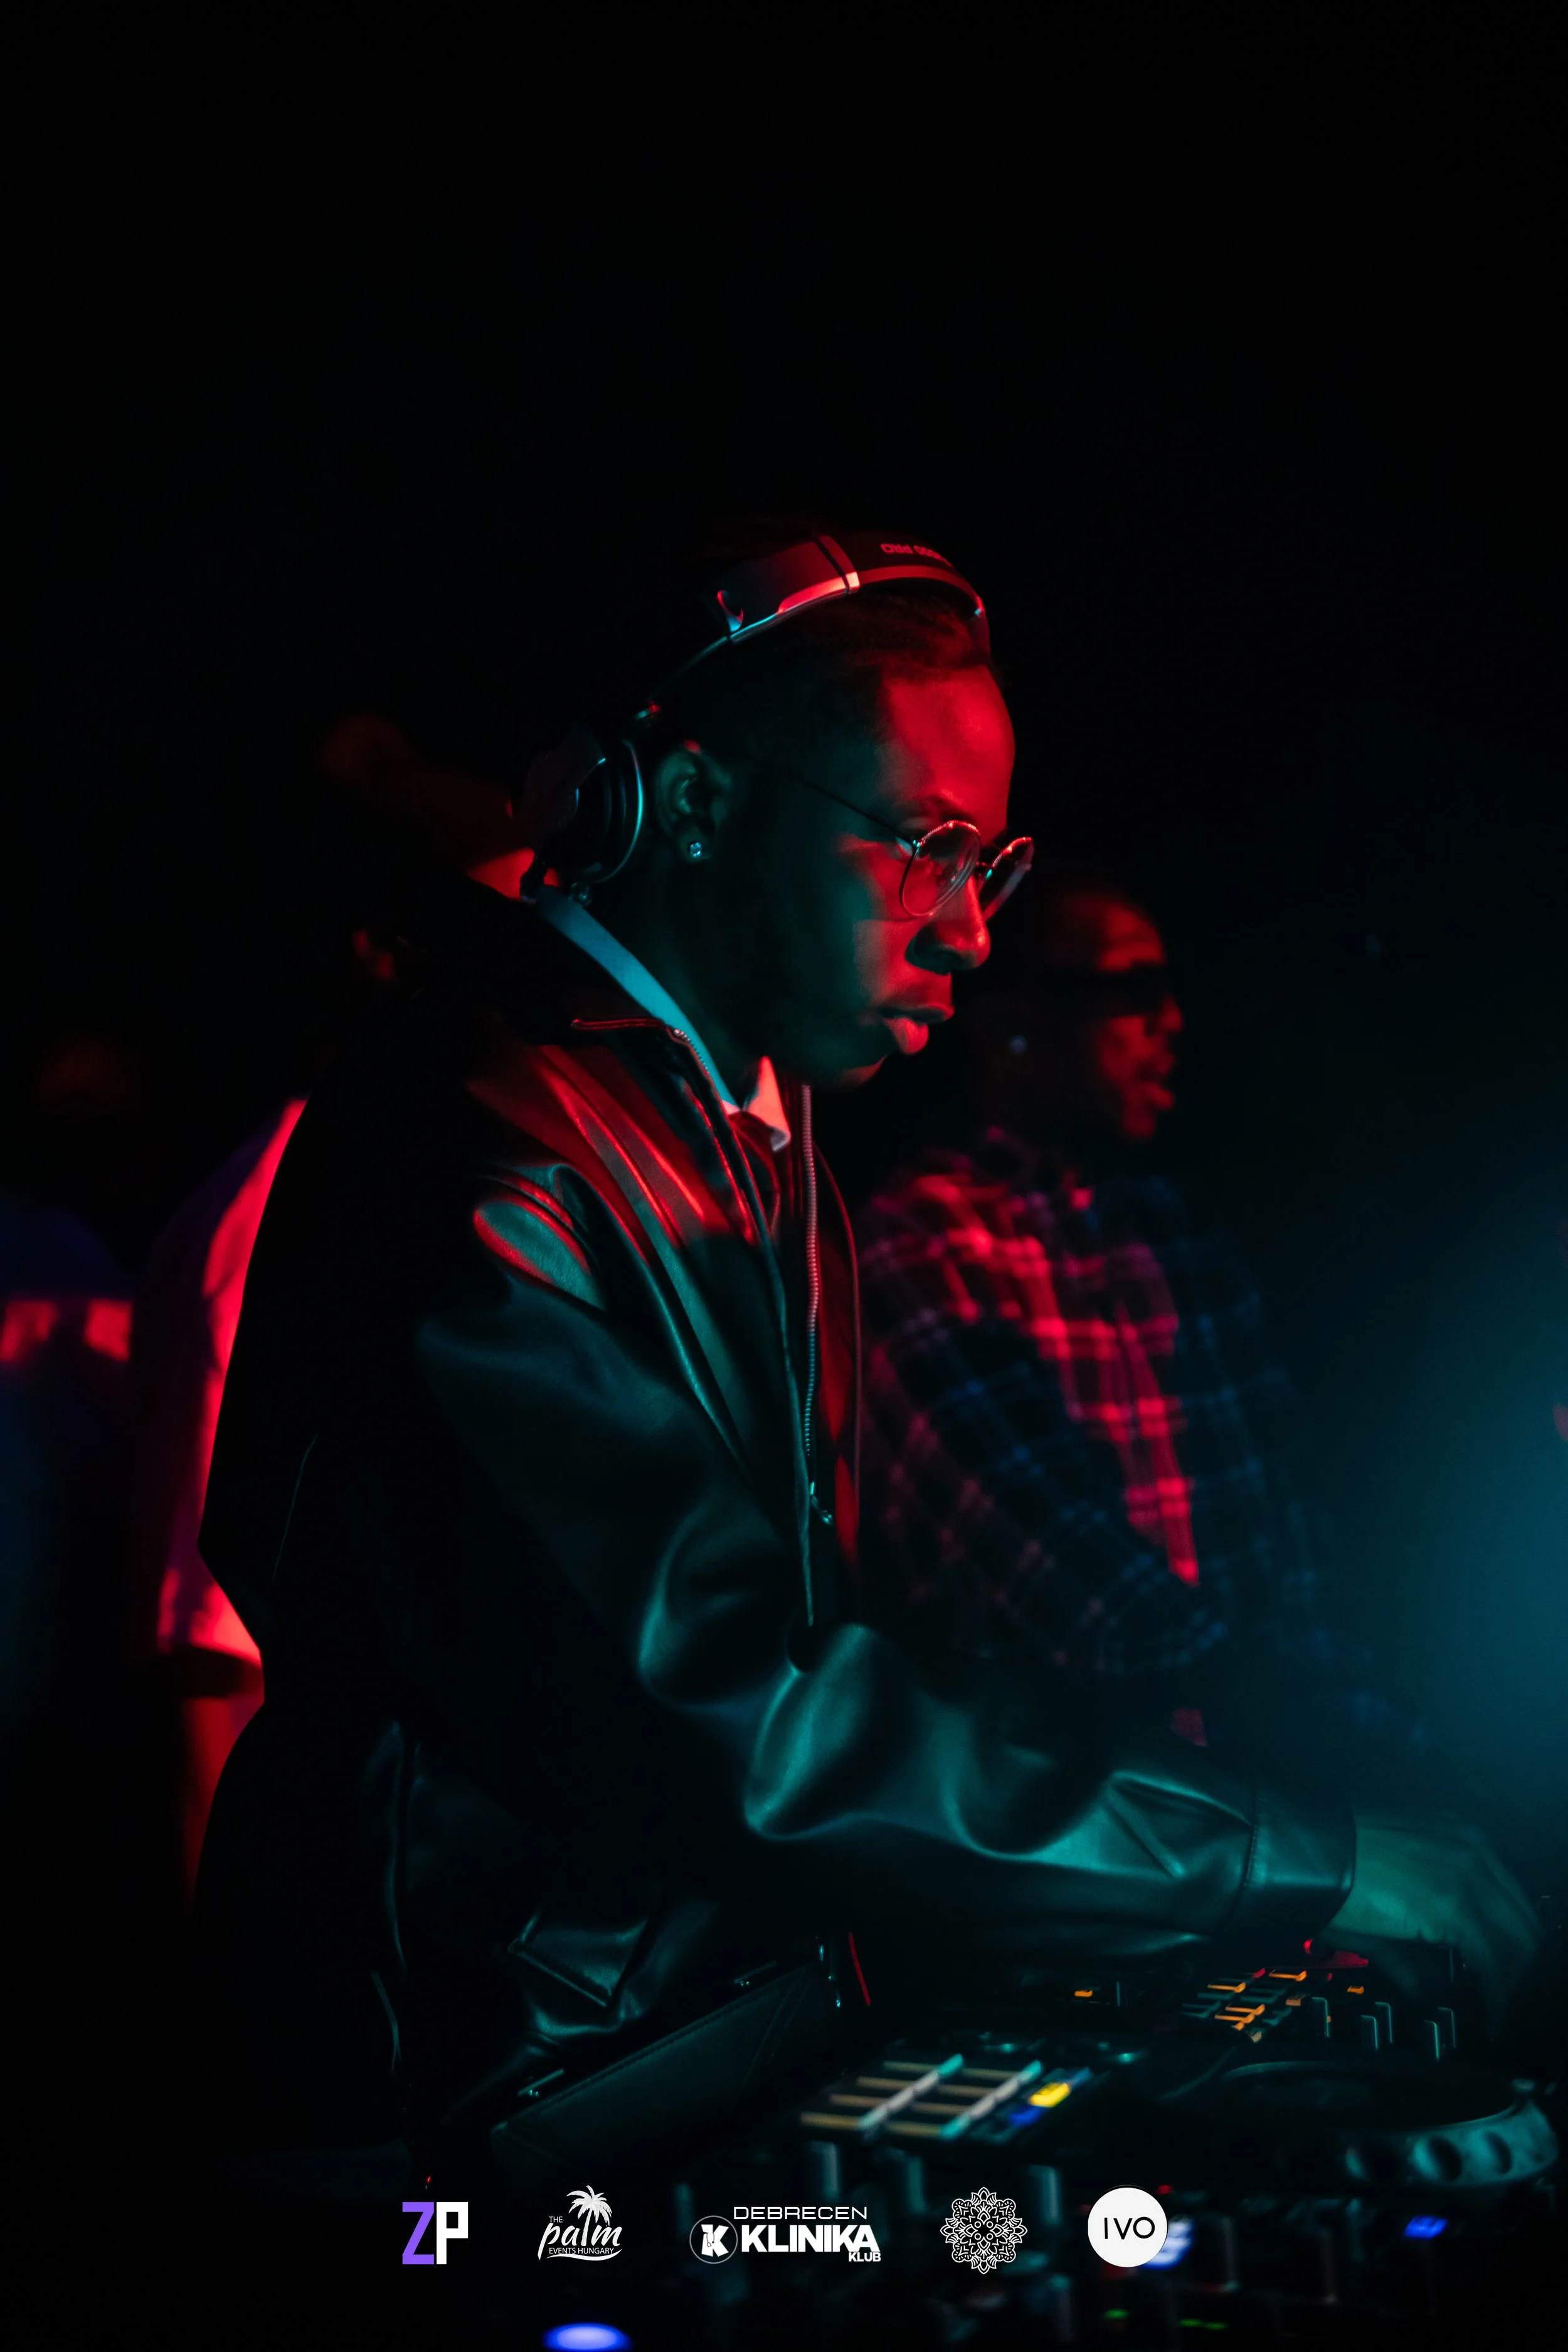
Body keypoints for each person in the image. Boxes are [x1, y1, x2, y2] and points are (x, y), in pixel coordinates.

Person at [193, 527, 1537, 2194]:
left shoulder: (748, 1128)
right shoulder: (485, 1156)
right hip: (461, 2119)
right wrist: (1289, 1856)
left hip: (657, 2051)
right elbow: (750, 1713)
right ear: (690, 805)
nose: (969, 933)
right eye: (924, 848)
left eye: (990, 864)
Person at [855, 864, 1422, 1777]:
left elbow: (1290, 1536)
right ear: (1010, 1024)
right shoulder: (926, 1238)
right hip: (1075, 1808)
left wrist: (1379, 1752)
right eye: (1133, 991)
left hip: (1264, 1788)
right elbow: (1046, 1556)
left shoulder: (1175, 1229)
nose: (1172, 1022)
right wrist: (1278, 1718)